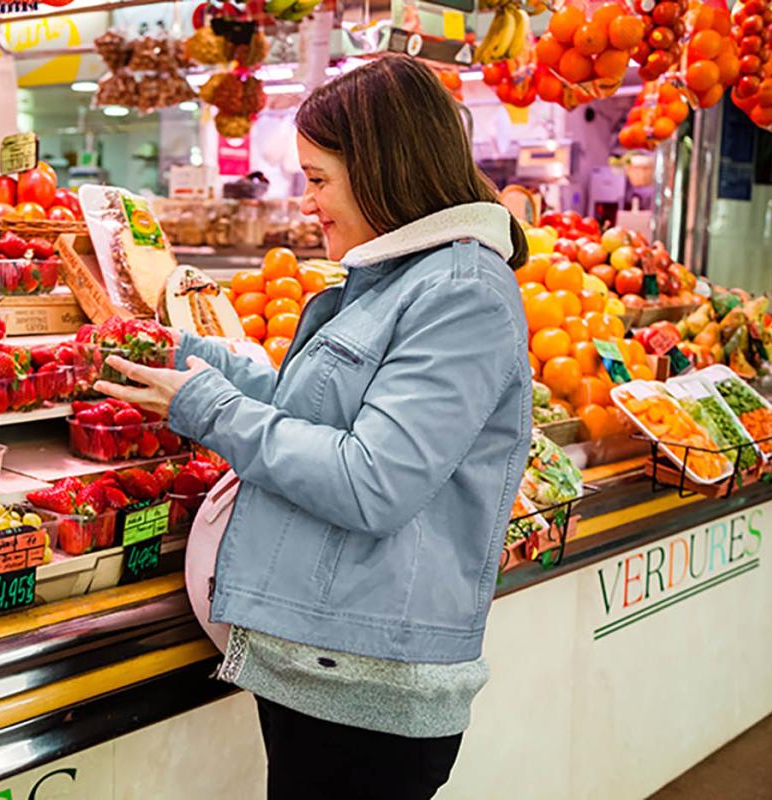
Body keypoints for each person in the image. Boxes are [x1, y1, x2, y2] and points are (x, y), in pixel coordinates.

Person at [94, 53, 531, 799]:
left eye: (319, 178)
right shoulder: (401, 277)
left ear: (386, 170)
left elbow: (373, 481)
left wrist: (206, 407)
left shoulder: (463, 292)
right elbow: (316, 409)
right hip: (327, 667)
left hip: (370, 695)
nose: (308, 201)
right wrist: (193, 357)